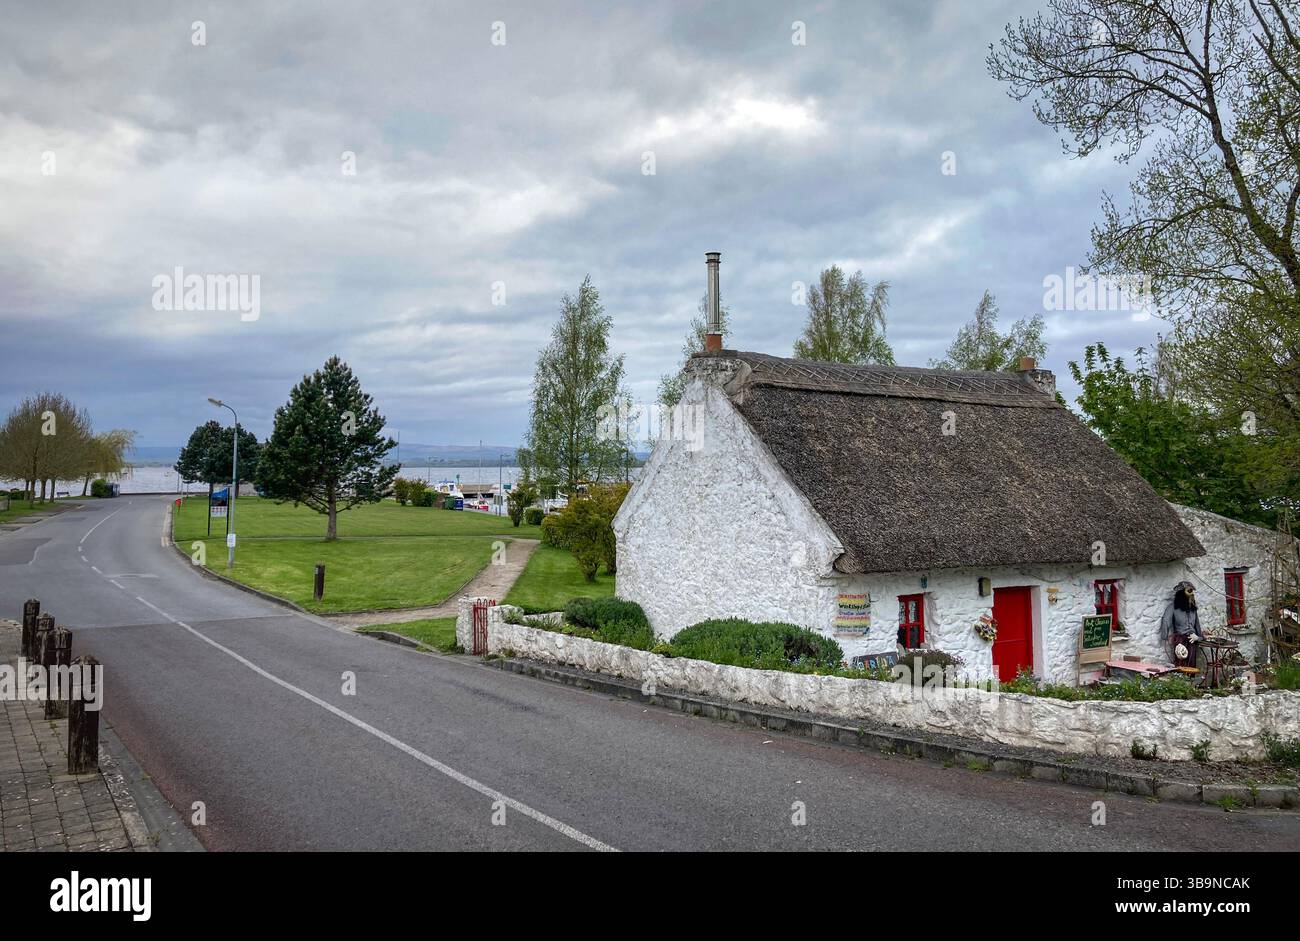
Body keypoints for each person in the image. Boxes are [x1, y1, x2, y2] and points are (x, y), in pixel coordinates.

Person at [1160, 580, 1202, 668]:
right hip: (1180, 641)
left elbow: (1198, 628)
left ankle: (1191, 677)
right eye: (1189, 591)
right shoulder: (1173, 607)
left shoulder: (1193, 609)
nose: (1192, 594)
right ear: (1182, 593)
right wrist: (1165, 636)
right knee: (1181, 666)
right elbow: (1166, 620)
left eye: (1192, 591)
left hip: (1192, 642)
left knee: (1191, 666)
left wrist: (1198, 638)